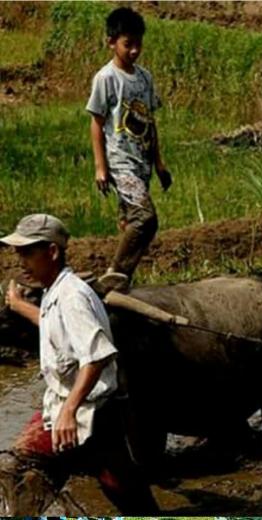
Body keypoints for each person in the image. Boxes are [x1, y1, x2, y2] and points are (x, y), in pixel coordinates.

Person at [0, 214, 159, 514]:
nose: (20, 262)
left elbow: (96, 355)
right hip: (76, 411)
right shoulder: (55, 291)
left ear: (52, 252)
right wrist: (22, 307)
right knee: (123, 489)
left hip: (90, 414)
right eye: (18, 253)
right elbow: (54, 327)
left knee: (18, 465)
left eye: (27, 253)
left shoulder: (73, 296)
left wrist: (69, 411)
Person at [87, 6, 172, 294]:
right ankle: (116, 273)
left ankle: (122, 284)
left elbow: (150, 122)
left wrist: (159, 163)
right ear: (111, 42)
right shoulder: (106, 78)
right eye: (128, 44)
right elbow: (97, 123)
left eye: (138, 44)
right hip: (120, 161)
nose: (134, 50)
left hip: (141, 161)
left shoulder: (145, 78)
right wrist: (101, 167)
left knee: (129, 221)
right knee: (145, 217)